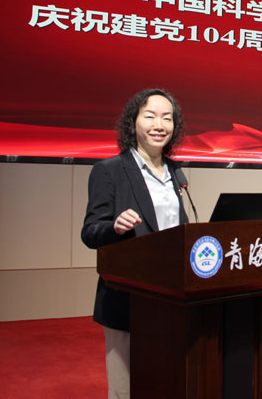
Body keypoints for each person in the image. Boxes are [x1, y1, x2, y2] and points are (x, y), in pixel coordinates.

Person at [81, 88, 189, 399]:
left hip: (170, 295)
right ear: (133, 122)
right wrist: (114, 227)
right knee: (126, 388)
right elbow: (90, 232)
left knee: (165, 382)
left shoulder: (175, 172)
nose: (159, 125)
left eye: (167, 118)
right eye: (150, 116)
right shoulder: (109, 171)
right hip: (127, 296)